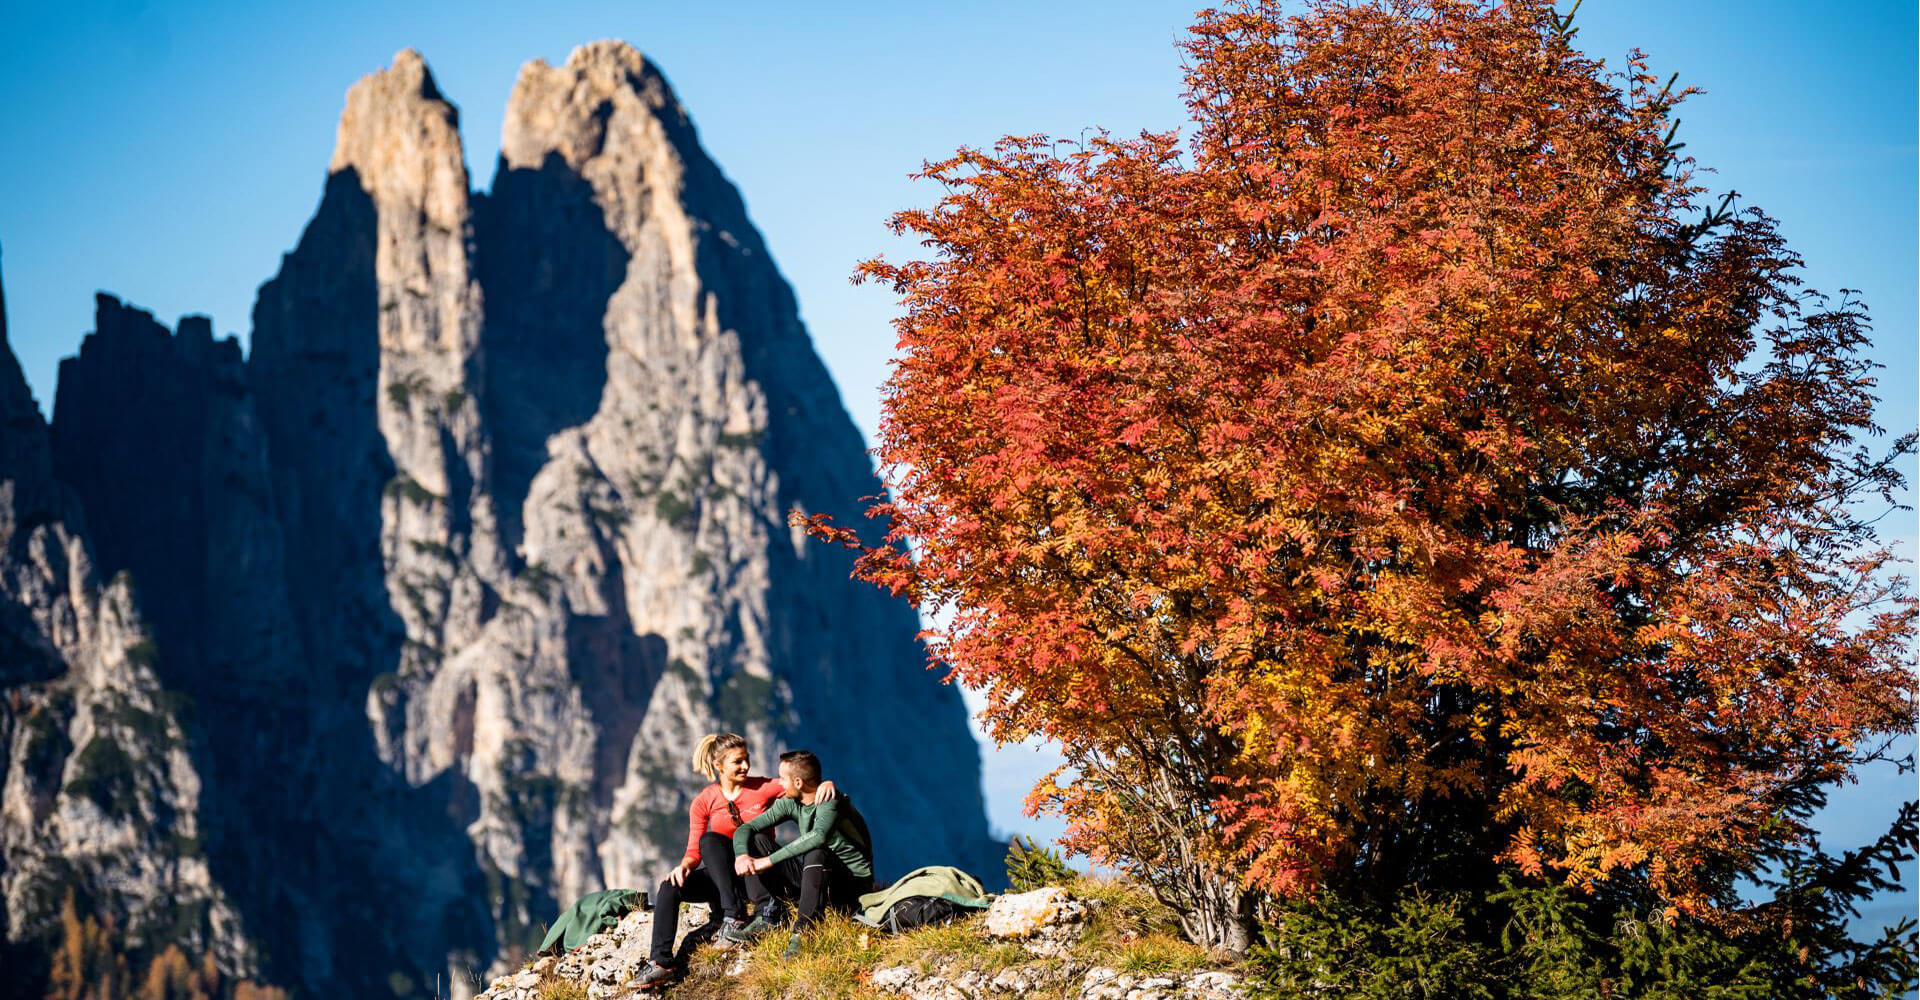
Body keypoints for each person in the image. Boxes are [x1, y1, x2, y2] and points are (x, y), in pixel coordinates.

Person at [633, 734, 835, 989]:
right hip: (725, 879)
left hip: (755, 874)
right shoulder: (704, 801)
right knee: (676, 879)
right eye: (738, 762)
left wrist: (827, 783)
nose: (745, 766)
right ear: (720, 767)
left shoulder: (763, 787)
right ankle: (662, 963)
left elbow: (802, 783)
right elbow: (695, 850)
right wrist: (683, 867)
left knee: (753, 835)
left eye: (747, 759)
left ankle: (738, 915)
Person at [722, 749, 875, 959]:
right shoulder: (790, 803)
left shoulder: (830, 801)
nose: (779, 783)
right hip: (816, 879)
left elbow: (818, 836)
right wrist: (742, 856)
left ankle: (804, 932)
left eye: (783, 779)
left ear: (798, 783)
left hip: (851, 887)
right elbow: (745, 829)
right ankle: (767, 917)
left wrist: (768, 861)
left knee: (816, 851)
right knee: (757, 840)